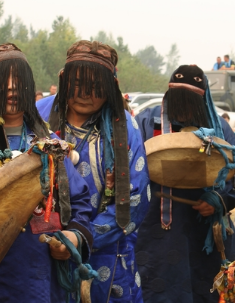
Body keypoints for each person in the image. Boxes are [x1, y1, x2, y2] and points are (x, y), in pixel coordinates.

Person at [36, 40, 150, 302]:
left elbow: (136, 199)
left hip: (106, 256)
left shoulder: (125, 126)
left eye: (96, 87)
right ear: (64, 80)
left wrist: (79, 238)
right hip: (43, 249)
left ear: (111, 86)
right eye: (78, 84)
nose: (85, 94)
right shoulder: (39, 115)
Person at [134, 65, 235, 303]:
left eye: (190, 103)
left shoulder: (219, 127)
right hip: (157, 228)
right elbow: (133, 166)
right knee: (157, 288)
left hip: (203, 225)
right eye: (179, 102)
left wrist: (220, 200)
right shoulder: (147, 121)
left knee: (204, 289)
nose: (183, 110)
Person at [0, 43, 93, 302]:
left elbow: (80, 204)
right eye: (3, 78)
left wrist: (71, 238)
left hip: (38, 280)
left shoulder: (50, 145)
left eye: (18, 79)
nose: (11, 87)